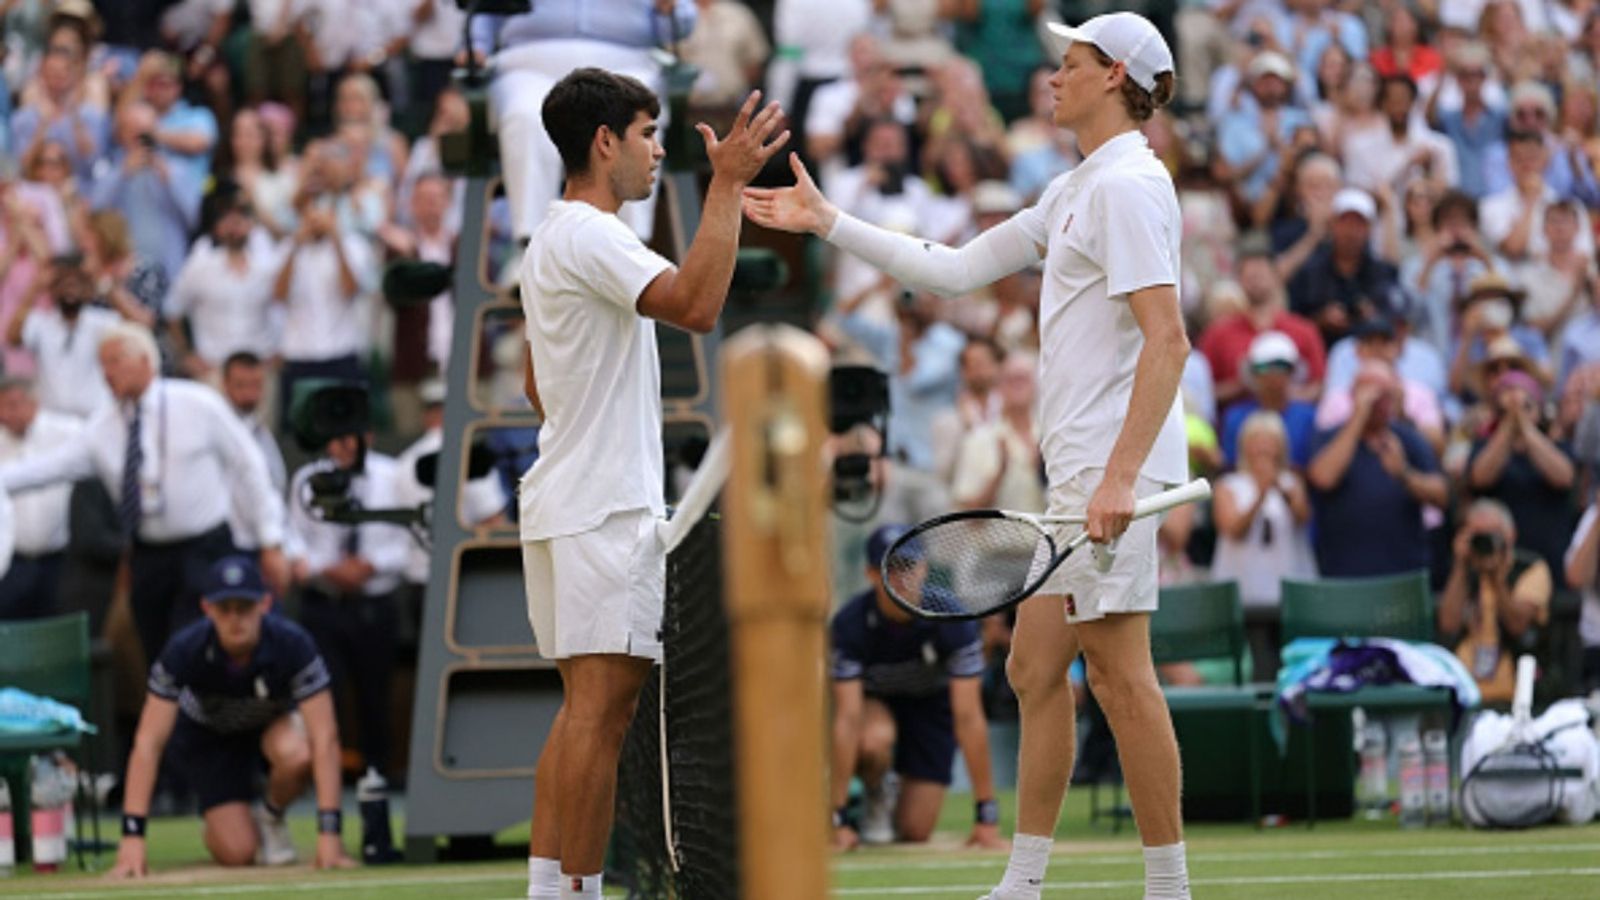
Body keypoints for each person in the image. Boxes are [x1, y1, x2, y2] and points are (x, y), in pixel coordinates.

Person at [743, 13, 1193, 898]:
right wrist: (830, 222)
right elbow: (950, 270)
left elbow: (1168, 342)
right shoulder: (1076, 190)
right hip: (1075, 481)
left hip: (1113, 476)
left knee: (1119, 675)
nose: (1050, 78)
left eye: (1068, 64)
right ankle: (1021, 883)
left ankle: (1168, 889)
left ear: (1113, 76)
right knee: (1031, 670)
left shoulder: (1131, 186)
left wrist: (1117, 478)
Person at [517, 70, 786, 900]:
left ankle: (547, 892)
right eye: (646, 132)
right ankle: (579, 892)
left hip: (569, 502)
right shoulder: (593, 235)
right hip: (604, 509)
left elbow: (535, 385)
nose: (659, 147)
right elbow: (698, 303)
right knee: (601, 719)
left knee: (581, 718)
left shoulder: (550, 238)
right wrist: (730, 185)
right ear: (605, 143)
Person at [0, 322, 287, 666]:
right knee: (158, 651)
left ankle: (196, 719)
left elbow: (249, 464)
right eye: (102, 364)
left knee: (197, 648)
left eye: (116, 360)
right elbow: (46, 469)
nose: (107, 372)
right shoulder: (101, 427)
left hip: (204, 548)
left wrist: (270, 539)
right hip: (147, 556)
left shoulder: (197, 403)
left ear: (146, 360)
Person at [106, 556, 354, 877]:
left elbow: (325, 737)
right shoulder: (184, 649)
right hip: (210, 740)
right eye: (225, 609)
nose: (235, 619)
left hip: (270, 730)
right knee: (236, 852)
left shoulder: (293, 644)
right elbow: (148, 742)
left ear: (265, 604)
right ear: (207, 608)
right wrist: (132, 836)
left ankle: (270, 815)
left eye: (245, 607)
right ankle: (227, 820)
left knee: (298, 752)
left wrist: (329, 833)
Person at [829, 525, 1004, 851]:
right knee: (874, 739)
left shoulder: (954, 619)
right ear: (870, 574)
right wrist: (835, 819)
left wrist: (986, 815)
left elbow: (968, 717)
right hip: (874, 705)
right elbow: (848, 717)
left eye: (909, 566)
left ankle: (894, 795)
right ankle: (871, 794)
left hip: (930, 709)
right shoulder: (849, 624)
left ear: (924, 567)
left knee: (916, 830)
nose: (902, 577)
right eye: (890, 569)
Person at [285, 428, 409, 783]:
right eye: (338, 437)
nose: (345, 444)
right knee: (324, 694)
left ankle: (377, 775)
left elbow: (409, 542)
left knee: (375, 695)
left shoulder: (393, 475)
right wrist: (327, 568)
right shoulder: (308, 480)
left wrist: (371, 563)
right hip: (324, 602)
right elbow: (292, 539)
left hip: (375, 603)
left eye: (352, 437)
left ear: (369, 437)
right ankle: (327, 775)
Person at [1306, 359, 1448, 577]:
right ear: (1353, 394)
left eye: (1385, 394)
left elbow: (1442, 496)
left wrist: (1404, 475)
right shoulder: (1329, 437)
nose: (1378, 401)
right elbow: (1323, 478)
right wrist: (1358, 416)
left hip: (1403, 576)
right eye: (1371, 392)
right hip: (1344, 576)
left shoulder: (1407, 439)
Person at [1438, 499, 1551, 702]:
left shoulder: (1530, 568)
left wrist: (1496, 579)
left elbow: (1518, 626)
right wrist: (1460, 566)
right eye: (1477, 536)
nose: (1485, 544)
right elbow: (1448, 624)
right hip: (1465, 692)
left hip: (1515, 694)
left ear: (1511, 536)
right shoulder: (1465, 572)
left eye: (1492, 535)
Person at [0, 377, 81, 620]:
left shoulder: (68, 432)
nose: (8, 413)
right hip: (12, 562)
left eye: (15, 404)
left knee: (56, 631)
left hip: (60, 560)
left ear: (34, 403)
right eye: (2, 406)